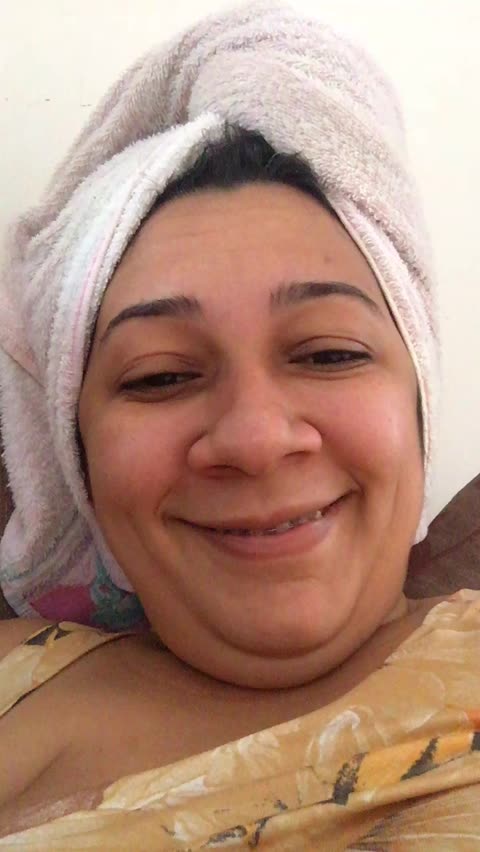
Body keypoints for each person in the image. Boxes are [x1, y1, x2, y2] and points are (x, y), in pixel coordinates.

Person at [0, 2, 479, 848]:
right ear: (81, 462)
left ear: (418, 406)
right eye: (161, 375)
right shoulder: (18, 675)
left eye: (328, 353)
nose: (256, 439)